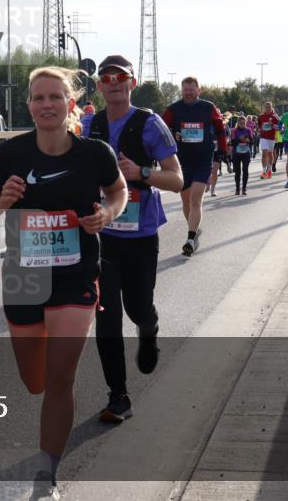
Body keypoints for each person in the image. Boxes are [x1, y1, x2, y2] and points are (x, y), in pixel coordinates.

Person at [0, 66, 125, 499]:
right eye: (38, 98)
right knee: (35, 381)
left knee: (60, 380)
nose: (46, 104)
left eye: (55, 97)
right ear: (29, 106)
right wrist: (3, 200)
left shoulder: (95, 153)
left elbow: (118, 192)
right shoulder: (11, 153)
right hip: (23, 278)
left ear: (70, 104)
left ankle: (46, 476)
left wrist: (107, 214)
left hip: (75, 278)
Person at [83, 55, 182, 424]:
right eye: (107, 78)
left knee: (137, 307)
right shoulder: (89, 125)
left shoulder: (149, 123)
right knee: (106, 316)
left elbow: (177, 180)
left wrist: (141, 172)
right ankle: (118, 395)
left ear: (132, 83)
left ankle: (149, 326)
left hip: (140, 235)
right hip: (102, 235)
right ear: (99, 86)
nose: (114, 83)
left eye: (120, 77)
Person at [162, 77, 227, 257]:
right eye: (185, 89)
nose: (188, 92)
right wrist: (172, 135)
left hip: (203, 159)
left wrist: (219, 156)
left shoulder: (208, 108)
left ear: (199, 90)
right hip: (182, 161)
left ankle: (190, 239)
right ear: (181, 90)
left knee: (196, 198)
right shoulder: (174, 109)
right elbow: (161, 129)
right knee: (185, 200)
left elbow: (220, 131)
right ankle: (195, 229)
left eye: (191, 89)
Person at [231, 116, 254, 195]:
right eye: (241, 123)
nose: (242, 125)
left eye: (244, 123)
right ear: (238, 123)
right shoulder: (234, 130)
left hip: (246, 153)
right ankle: (237, 189)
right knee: (237, 172)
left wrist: (248, 140)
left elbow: (252, 141)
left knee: (245, 170)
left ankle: (244, 189)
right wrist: (239, 139)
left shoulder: (248, 130)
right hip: (236, 153)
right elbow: (232, 142)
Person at [258, 102, 280, 179]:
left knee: (270, 154)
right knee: (264, 154)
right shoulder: (261, 116)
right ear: (264, 108)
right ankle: (264, 172)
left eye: (269, 107)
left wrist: (272, 125)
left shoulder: (275, 116)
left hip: (271, 138)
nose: (268, 108)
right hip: (263, 137)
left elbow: (280, 127)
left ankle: (269, 171)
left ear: (271, 107)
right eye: (266, 107)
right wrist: (259, 129)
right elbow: (259, 126)